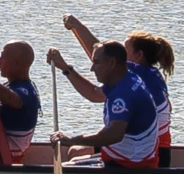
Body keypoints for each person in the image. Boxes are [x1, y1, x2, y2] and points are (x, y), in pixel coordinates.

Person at [62, 16, 175, 164]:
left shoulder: (138, 76)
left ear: (139, 56)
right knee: (75, 151)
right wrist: (77, 28)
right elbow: (103, 57)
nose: (121, 55)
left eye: (125, 50)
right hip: (141, 146)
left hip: (148, 152)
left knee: (75, 152)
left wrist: (77, 27)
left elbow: (103, 66)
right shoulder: (150, 75)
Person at [49, 41, 163, 168]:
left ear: (112, 63)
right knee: (74, 154)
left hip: (129, 165)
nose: (92, 68)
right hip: (125, 157)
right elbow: (93, 93)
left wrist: (71, 140)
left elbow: (114, 135)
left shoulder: (124, 93)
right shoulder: (125, 77)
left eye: (96, 62)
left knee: (64, 169)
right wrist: (65, 67)